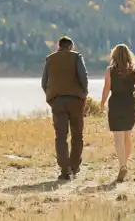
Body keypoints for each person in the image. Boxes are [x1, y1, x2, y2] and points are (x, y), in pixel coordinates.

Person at [99, 43, 135, 182]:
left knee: (118, 138)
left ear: (114, 55)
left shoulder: (109, 71)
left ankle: (122, 166)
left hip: (115, 104)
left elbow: (106, 89)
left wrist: (102, 103)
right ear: (128, 55)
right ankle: (124, 164)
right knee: (127, 136)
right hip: (129, 104)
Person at [41, 35, 89, 180]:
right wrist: (84, 94)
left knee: (61, 136)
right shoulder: (76, 57)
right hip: (75, 100)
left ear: (58, 46)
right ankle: (74, 166)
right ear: (71, 46)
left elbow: (44, 82)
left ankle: (64, 170)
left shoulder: (50, 59)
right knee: (77, 135)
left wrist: (51, 96)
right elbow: (84, 77)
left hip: (57, 101)